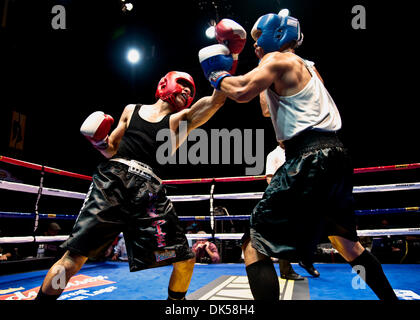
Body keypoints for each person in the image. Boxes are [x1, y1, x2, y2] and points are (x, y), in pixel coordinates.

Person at [199, 14, 397, 300]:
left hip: (308, 156)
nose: (255, 45)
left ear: (275, 35)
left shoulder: (278, 60)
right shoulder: (306, 67)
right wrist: (245, 67)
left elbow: (241, 91)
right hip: (336, 155)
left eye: (257, 39)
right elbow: (267, 110)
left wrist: (217, 75)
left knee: (253, 242)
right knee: (347, 244)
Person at [35, 68, 235, 300]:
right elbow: (111, 149)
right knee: (74, 258)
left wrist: (224, 67)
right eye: (183, 84)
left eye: (191, 90)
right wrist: (98, 141)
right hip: (112, 184)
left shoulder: (181, 121)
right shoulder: (132, 110)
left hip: (148, 195)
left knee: (183, 258)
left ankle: (173, 299)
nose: (187, 91)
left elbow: (215, 101)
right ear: (165, 83)